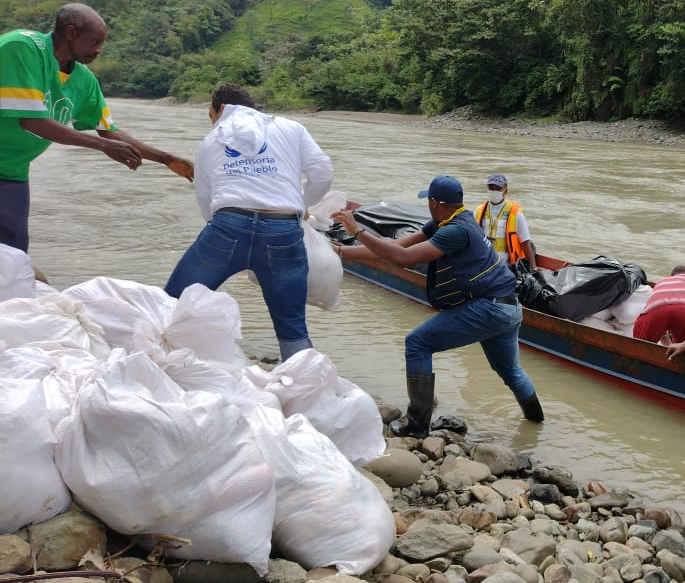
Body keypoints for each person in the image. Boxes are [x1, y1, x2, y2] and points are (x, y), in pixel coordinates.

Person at [333, 175, 543, 436]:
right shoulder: (452, 220)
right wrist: (341, 251)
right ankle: (537, 424)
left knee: (417, 343)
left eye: (428, 200)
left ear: (434, 202)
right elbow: (394, 246)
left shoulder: (455, 231)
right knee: (509, 370)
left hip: (490, 308)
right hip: (510, 307)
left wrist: (357, 231)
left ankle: (417, 426)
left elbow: (402, 258)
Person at [0, 3, 194, 252]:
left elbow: (108, 131)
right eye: (94, 42)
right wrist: (102, 146)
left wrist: (166, 159)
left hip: (12, 173)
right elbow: (32, 120)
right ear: (71, 33)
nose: (99, 50)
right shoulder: (23, 48)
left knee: (14, 257)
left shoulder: (83, 80)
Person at [164, 84, 333, 362]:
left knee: (172, 302)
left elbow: (205, 197)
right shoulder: (292, 128)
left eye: (210, 113)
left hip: (227, 228)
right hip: (284, 232)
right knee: (291, 326)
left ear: (218, 109)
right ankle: (306, 390)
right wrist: (299, 206)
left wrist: (224, 232)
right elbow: (323, 173)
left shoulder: (211, 139)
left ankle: (155, 365)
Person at [474, 172, 539, 269]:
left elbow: (525, 243)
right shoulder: (479, 211)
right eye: (491, 188)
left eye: (498, 189)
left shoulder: (515, 213)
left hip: (506, 267)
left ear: (506, 190)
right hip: (484, 265)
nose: (494, 191)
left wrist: (534, 269)